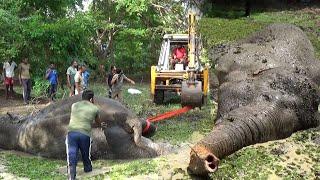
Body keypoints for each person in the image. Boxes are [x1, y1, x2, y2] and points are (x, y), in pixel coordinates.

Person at [66, 90, 102, 180]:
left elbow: (78, 118)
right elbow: (98, 123)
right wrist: (101, 125)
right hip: (84, 134)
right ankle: (88, 169)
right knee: (85, 154)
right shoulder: (94, 108)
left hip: (72, 133)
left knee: (72, 155)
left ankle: (72, 176)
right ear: (91, 99)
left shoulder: (74, 105)